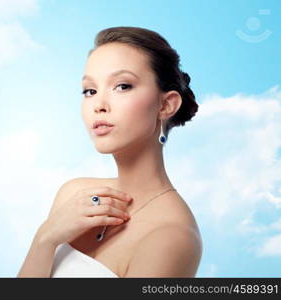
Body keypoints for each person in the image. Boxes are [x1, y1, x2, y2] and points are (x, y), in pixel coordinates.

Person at [17, 26, 202, 278]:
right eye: (89, 91)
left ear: (166, 104)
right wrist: (45, 239)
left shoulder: (171, 237)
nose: (99, 105)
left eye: (122, 86)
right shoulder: (74, 195)